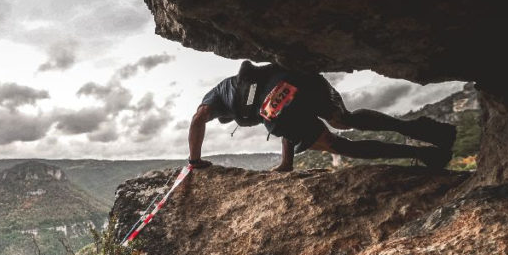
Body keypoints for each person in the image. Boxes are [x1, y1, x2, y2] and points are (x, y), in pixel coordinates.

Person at [187, 61, 455, 171]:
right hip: (300, 80)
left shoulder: (214, 97)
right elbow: (281, 110)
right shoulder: (247, 91)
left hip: (279, 106)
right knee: (345, 120)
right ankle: (423, 130)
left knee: (338, 145)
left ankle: (423, 156)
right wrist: (286, 162)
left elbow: (198, 120)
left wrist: (195, 160)